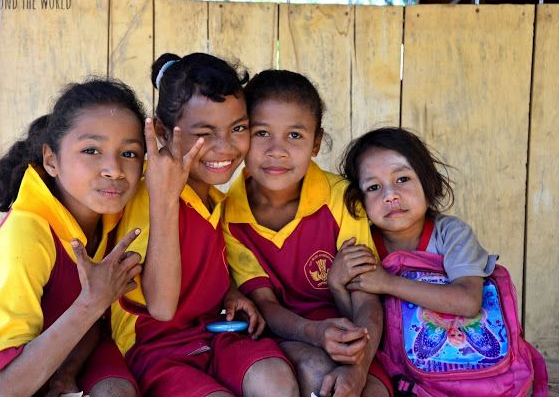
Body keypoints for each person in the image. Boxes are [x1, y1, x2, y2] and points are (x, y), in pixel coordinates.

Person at [0, 79, 181, 397]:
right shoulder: (25, 236)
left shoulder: (117, 215)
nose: (114, 169)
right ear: (51, 160)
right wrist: (93, 301)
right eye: (91, 150)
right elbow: (6, 387)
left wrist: (67, 372)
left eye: (129, 153)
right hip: (6, 372)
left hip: (82, 349)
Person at [111, 53, 299, 397]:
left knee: (276, 380)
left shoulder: (216, 198)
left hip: (215, 333)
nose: (225, 147)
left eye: (238, 128)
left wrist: (229, 291)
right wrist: (166, 200)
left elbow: (201, 265)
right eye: (204, 133)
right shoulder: (147, 200)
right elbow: (163, 308)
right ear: (164, 133)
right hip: (156, 347)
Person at [223, 69, 390, 397]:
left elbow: (366, 298)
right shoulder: (230, 215)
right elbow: (266, 307)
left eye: (295, 136)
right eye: (261, 133)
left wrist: (357, 368)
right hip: (284, 336)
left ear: (315, 143)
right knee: (318, 374)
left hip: (352, 335)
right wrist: (315, 333)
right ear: (241, 136)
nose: (277, 150)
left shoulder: (341, 198)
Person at [336, 126, 497, 319]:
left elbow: (468, 302)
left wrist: (387, 283)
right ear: (359, 201)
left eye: (402, 179)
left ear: (428, 183)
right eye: (374, 187)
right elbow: (360, 327)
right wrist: (336, 286)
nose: (390, 195)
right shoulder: (362, 247)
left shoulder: (451, 234)